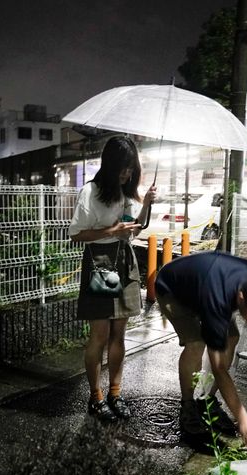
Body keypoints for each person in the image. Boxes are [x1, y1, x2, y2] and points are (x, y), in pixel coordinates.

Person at [155, 252, 247, 450]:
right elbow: (219, 368)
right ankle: (188, 407)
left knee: (232, 337)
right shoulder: (217, 300)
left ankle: (206, 400)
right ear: (242, 297)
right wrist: (243, 418)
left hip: (204, 285)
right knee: (196, 343)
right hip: (172, 288)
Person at [69, 136, 156, 422]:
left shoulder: (126, 193)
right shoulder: (90, 192)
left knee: (120, 334)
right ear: (110, 165)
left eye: (131, 169)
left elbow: (135, 231)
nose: (127, 174)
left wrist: (147, 206)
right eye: (123, 168)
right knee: (101, 335)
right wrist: (111, 230)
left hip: (125, 261)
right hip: (102, 262)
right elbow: (77, 234)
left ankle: (115, 394)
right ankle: (95, 397)